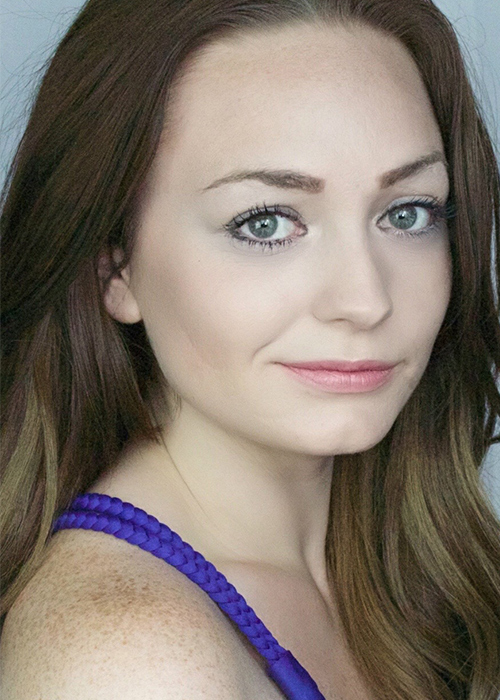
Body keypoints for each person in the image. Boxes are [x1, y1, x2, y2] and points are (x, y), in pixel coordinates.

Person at [1, 0, 499, 698]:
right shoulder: (134, 660)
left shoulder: (419, 569)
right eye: (266, 223)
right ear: (115, 267)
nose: (366, 300)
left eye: (406, 213)